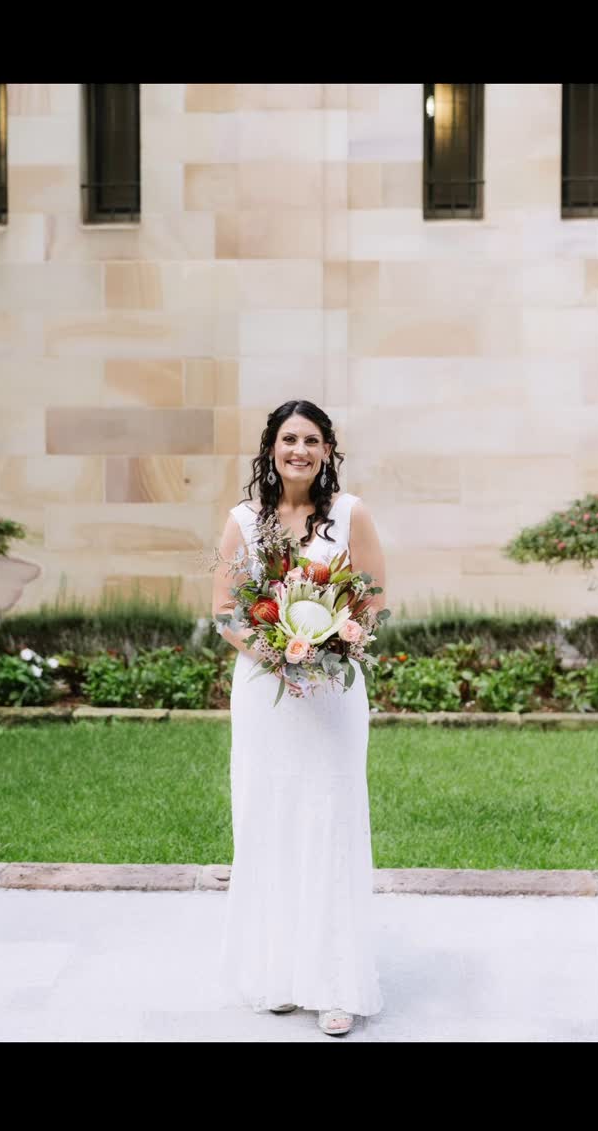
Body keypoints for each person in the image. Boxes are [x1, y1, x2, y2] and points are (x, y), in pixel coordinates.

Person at [212, 400, 386, 1037]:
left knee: (331, 820)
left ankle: (337, 983)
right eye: (289, 439)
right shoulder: (243, 521)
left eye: (312, 440)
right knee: (270, 818)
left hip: (333, 697)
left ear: (328, 450)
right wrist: (279, 652)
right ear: (271, 447)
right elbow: (226, 609)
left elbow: (374, 596)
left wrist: (339, 641)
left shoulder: (350, 514)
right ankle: (280, 974)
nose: (300, 451)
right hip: (266, 694)